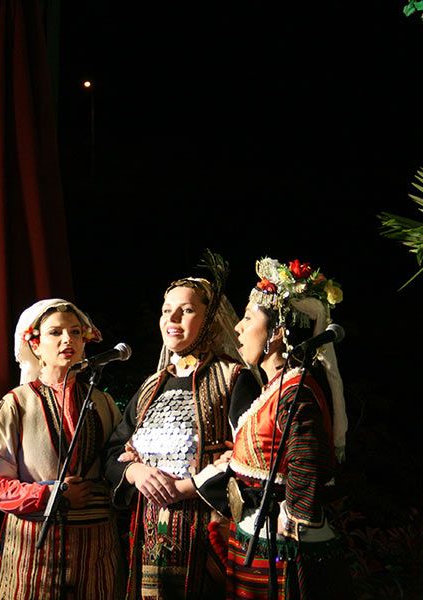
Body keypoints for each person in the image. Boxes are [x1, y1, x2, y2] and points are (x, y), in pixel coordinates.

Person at [193, 256, 353, 598]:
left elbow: (308, 462)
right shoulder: (275, 389)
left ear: (277, 332)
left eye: (248, 318)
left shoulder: (296, 391)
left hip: (284, 541)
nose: (238, 327)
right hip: (258, 532)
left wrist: (293, 515)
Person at [103, 250, 259, 599]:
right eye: (166, 310)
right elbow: (112, 453)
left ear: (211, 319)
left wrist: (188, 488)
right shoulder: (151, 386)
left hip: (211, 537)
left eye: (186, 310)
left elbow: (254, 459)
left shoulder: (233, 379)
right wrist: (135, 473)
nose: (171, 319)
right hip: (150, 540)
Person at [0, 298, 123, 600]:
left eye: (76, 332)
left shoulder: (103, 403)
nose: (68, 339)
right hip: (34, 550)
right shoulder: (17, 403)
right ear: (35, 346)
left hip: (96, 551)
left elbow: (118, 464)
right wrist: (49, 495)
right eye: (56, 332)